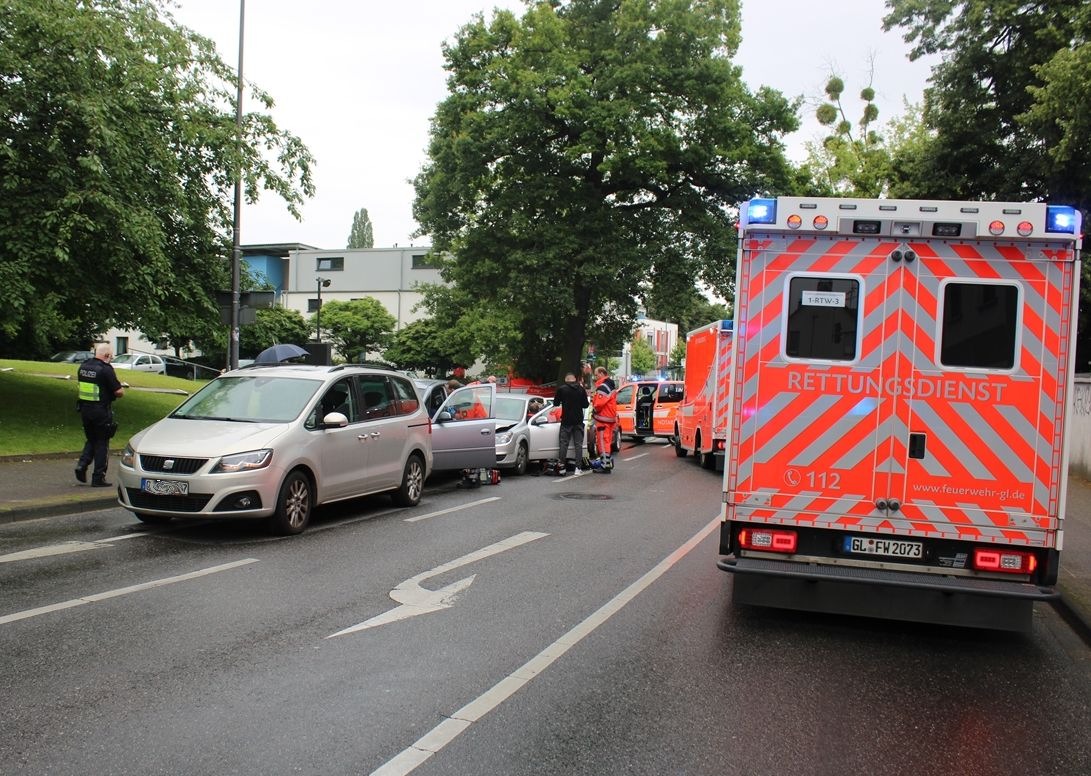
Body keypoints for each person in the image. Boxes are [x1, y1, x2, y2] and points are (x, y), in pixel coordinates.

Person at [75, 343, 125, 487]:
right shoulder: (105, 369)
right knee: (102, 442)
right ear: (107, 355)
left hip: (85, 409)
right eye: (111, 356)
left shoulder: (83, 367)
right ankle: (98, 477)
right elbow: (118, 392)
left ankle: (82, 465)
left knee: (91, 439)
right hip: (101, 411)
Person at [553, 371, 589, 474]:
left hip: (566, 420)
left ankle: (562, 468)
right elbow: (586, 405)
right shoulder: (581, 389)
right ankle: (578, 468)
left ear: (566, 380)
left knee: (564, 444)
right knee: (578, 444)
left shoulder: (562, 389)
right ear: (574, 379)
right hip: (578, 420)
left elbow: (555, 403)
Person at [590, 366, 618, 473]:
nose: (595, 377)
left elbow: (599, 404)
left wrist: (594, 407)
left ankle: (605, 466)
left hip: (603, 419)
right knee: (607, 441)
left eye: (596, 375)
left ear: (602, 373)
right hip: (610, 418)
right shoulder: (610, 385)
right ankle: (607, 463)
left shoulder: (603, 386)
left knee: (602, 442)